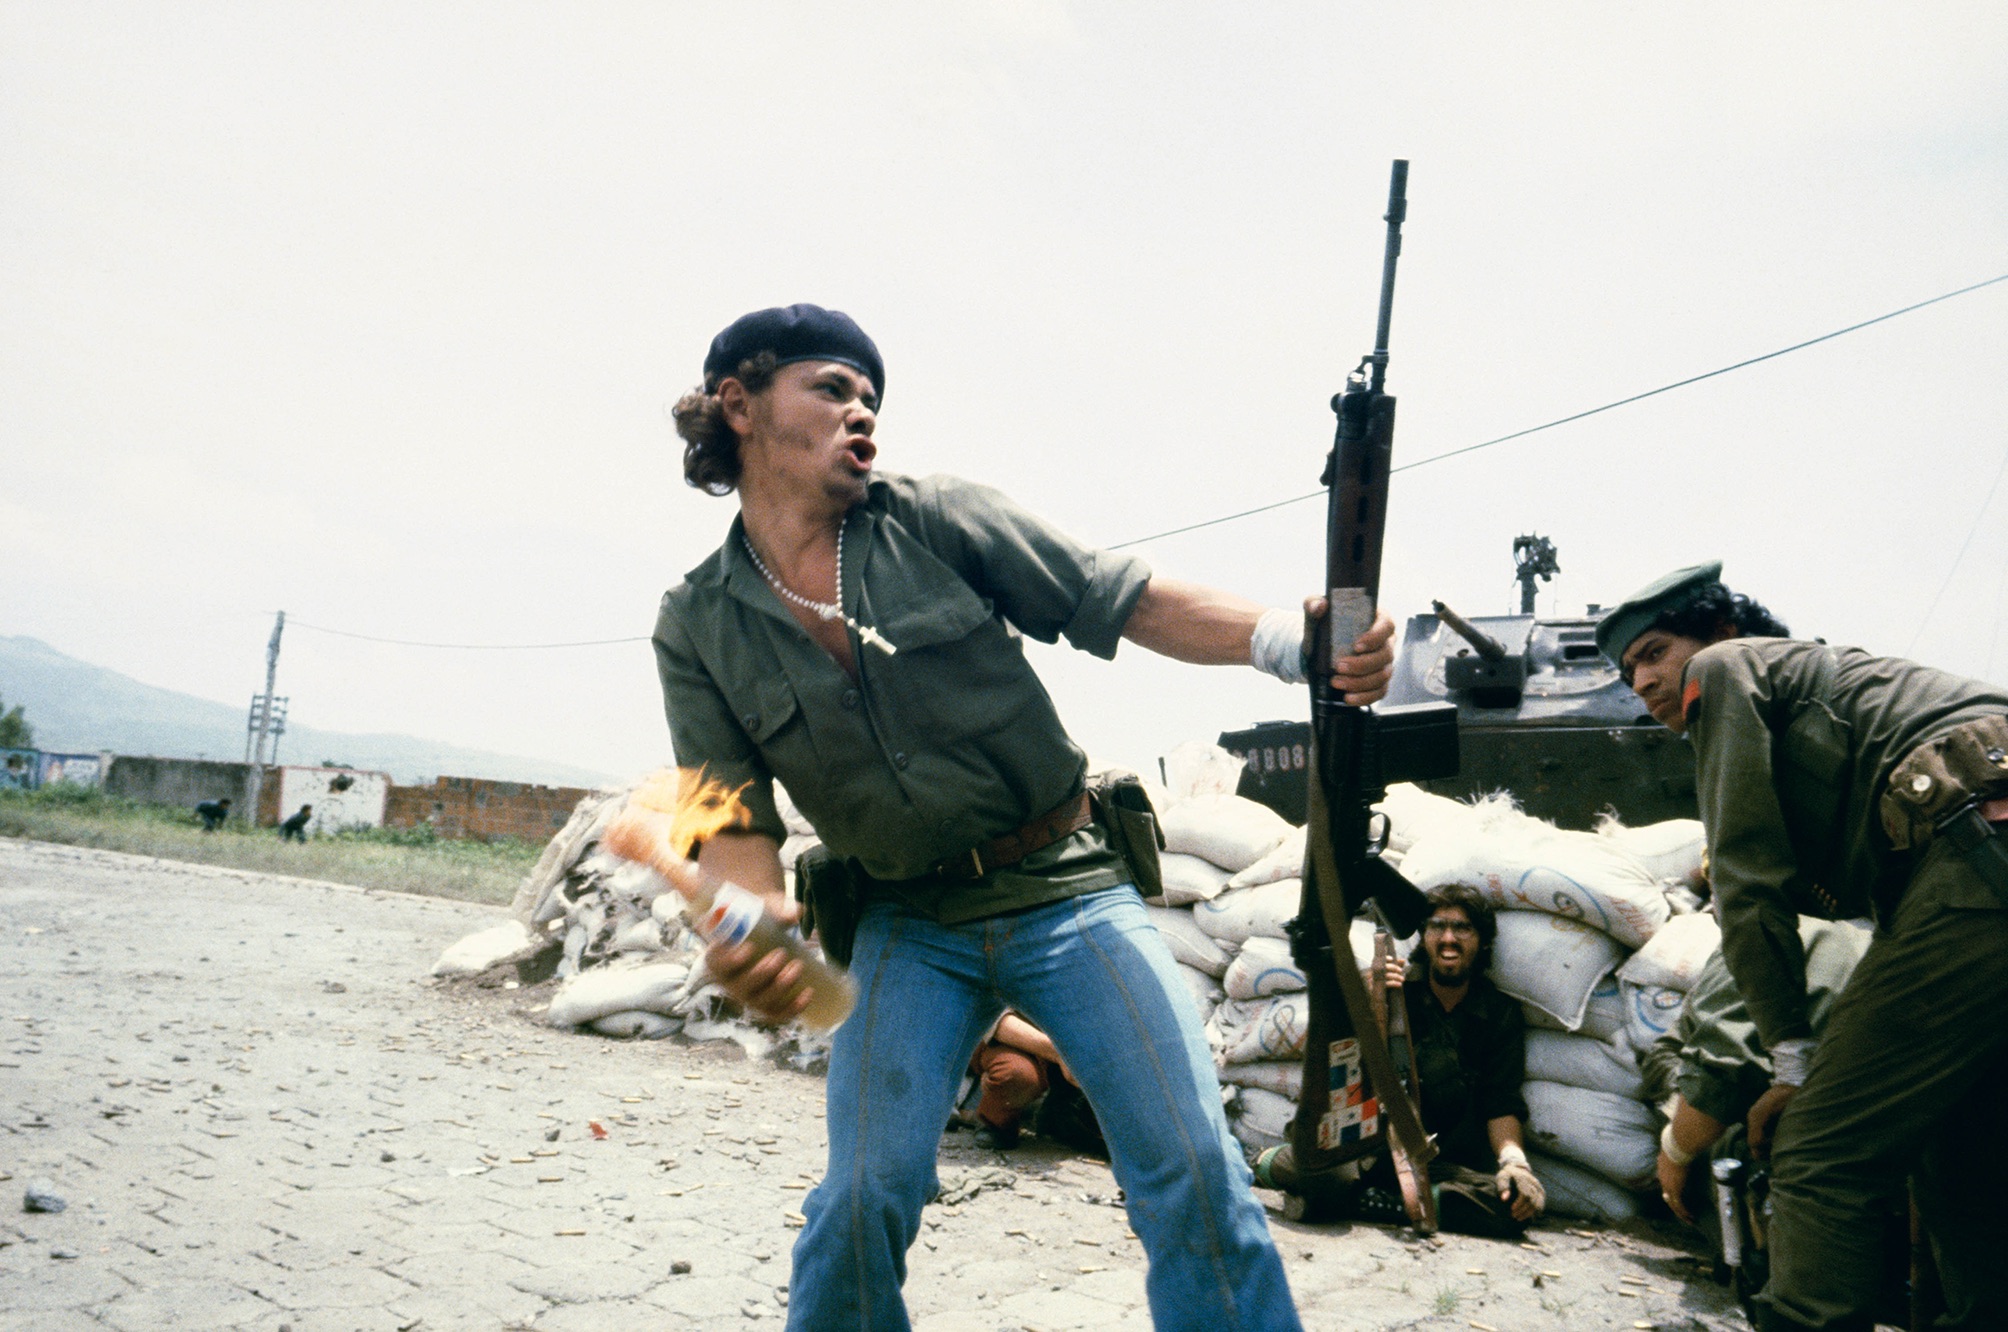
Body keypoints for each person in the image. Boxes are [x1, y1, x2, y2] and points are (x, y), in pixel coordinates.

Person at [654, 303, 1397, 1331]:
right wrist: (752, 922)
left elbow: (1118, 597)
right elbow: (725, 811)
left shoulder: (936, 517)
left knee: (1188, 1167)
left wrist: (1288, 640)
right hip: (907, 927)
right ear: (737, 406)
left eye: (872, 398)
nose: (861, 412)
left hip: (1066, 892)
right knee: (862, 1195)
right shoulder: (693, 624)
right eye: (831, 389)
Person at [1597, 561, 2008, 1332]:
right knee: (1961, 1146)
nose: (1643, 683)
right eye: (1628, 672)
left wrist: (1793, 1062)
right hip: (1974, 863)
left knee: (1819, 1147)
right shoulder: (1837, 694)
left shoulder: (1727, 668)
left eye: (1654, 652)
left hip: (1980, 849)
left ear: (1719, 632)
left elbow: (1748, 885)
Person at [1639, 919, 1871, 1226]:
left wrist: (1673, 1152)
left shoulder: (1763, 935)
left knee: (1717, 1147)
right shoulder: (1886, 943)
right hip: (1899, 1166)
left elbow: (1714, 1087)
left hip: (1814, 1168)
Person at [1367, 883, 1543, 1236]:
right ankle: (1402, 1201)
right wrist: (1370, 1000)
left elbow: (1501, 1101)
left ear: (1482, 941)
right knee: (1308, 1167)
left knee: (1511, 1205)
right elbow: (1355, 1070)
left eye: (1463, 928)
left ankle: (1382, 1204)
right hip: (1382, 1154)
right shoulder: (1396, 998)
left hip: (1446, 1166)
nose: (1449, 938)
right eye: (1437, 926)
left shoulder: (1500, 1014)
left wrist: (1514, 1163)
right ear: (1424, 937)